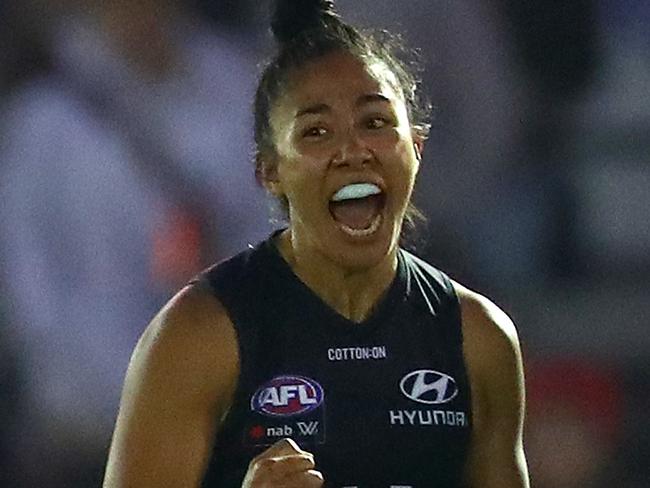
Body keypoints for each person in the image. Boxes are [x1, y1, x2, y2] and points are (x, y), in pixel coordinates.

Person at [103, 1, 529, 487]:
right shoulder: (198, 338)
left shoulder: (478, 340)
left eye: (375, 122)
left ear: (416, 147)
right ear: (269, 171)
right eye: (316, 132)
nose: (352, 151)